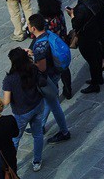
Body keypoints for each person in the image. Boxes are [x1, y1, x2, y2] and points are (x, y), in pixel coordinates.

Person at [26, 13, 72, 143]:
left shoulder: (40, 45)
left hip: (49, 76)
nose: (28, 27)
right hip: (56, 71)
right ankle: (41, 126)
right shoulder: (49, 35)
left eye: (29, 25)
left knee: (53, 104)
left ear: (33, 28)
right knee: (49, 101)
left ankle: (64, 131)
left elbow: (41, 68)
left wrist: (30, 60)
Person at [2, 47, 46, 172]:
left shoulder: (9, 79)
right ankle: (37, 161)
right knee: (38, 134)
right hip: (37, 104)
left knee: (15, 139)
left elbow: (6, 101)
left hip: (21, 113)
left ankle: (10, 166)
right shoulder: (32, 68)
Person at [67, 0, 104, 94]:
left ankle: (95, 84)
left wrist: (71, 15)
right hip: (96, 31)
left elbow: (76, 24)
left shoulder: (81, 7)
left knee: (92, 60)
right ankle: (98, 78)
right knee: (97, 57)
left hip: (86, 36)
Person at [36, 0, 72, 98]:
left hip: (50, 49)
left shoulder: (43, 19)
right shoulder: (59, 13)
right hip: (62, 43)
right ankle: (68, 89)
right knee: (64, 68)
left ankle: (55, 93)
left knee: (52, 73)